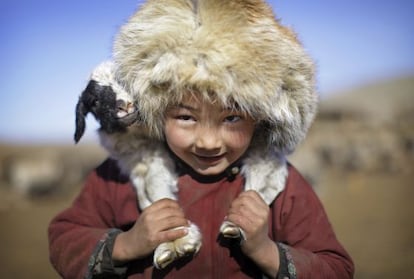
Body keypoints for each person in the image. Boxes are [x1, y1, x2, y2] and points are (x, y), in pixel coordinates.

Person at [48, 0, 354, 278]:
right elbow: (65, 237)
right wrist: (127, 244)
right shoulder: (118, 177)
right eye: (185, 117)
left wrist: (266, 251)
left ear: (261, 117)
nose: (208, 142)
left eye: (232, 117)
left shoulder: (283, 187)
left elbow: (336, 268)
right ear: (155, 111)